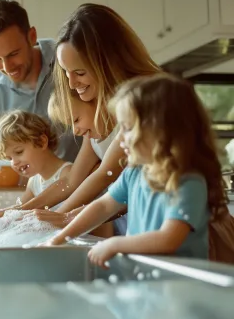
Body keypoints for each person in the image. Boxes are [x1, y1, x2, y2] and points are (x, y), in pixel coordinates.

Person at [42, 73, 227, 267]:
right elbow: (103, 207)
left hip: (179, 283)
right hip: (148, 278)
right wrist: (58, 239)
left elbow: (168, 239)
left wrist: (114, 244)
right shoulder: (134, 173)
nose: (120, 139)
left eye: (128, 128)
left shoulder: (188, 182)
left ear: (160, 130)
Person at [28, 3, 161, 237]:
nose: (71, 84)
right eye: (67, 73)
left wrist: (63, 218)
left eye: (79, 73)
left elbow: (108, 176)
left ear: (108, 62)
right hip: (147, 221)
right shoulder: (105, 108)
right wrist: (28, 214)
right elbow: (78, 180)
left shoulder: (146, 102)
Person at [0, 0, 81, 217]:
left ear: (31, 36)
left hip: (84, 190)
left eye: (13, 54)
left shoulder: (66, 61)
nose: (7, 67)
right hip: (51, 200)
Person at [0, 110, 72, 215]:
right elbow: (22, 208)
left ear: (42, 142)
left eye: (18, 152)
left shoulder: (68, 173)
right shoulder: (34, 181)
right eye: (9, 159)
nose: (14, 162)